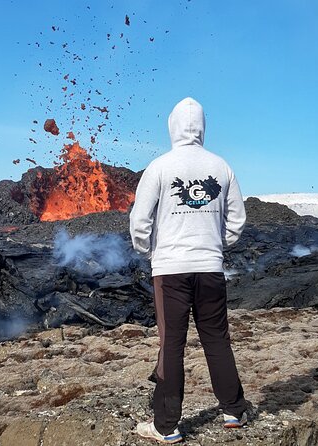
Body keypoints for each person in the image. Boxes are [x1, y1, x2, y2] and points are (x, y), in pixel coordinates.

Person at [130, 97, 248, 443]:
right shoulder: (221, 167)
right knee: (217, 339)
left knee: (171, 345)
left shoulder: (160, 167)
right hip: (210, 268)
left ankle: (166, 426)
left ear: (172, 126)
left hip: (170, 271)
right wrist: (215, 244)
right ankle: (234, 410)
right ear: (203, 128)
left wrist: (150, 251)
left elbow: (140, 220)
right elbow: (237, 220)